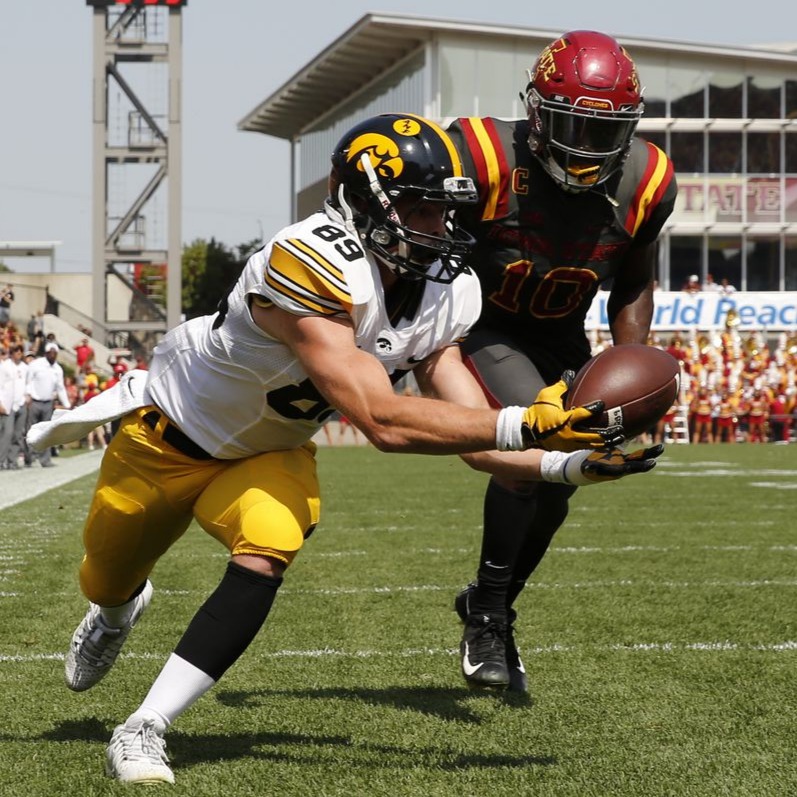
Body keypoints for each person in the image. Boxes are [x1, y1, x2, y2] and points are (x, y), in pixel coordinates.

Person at [28, 113, 660, 785]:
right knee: (107, 574)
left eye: (444, 210)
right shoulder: (308, 259)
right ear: (361, 202)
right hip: (168, 439)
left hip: (268, 451)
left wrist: (567, 464)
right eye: (419, 208)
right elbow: (382, 420)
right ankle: (117, 609)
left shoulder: (447, 288)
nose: (438, 226)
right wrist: (529, 425)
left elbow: (476, 435)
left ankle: (144, 726)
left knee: (270, 541)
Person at [445, 30, 678, 692]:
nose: (587, 146)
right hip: (484, 326)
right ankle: (489, 616)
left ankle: (490, 602)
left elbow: (633, 278)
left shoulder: (647, 178)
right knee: (540, 445)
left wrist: (630, 362)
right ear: (536, 112)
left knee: (565, 479)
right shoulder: (482, 155)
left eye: (605, 130)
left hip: (561, 336)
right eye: (573, 125)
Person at [25, 342, 71, 467]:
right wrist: (28, 395)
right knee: (31, 430)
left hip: (48, 403)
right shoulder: (36, 364)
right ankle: (29, 458)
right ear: (46, 353)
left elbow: (60, 388)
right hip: (35, 401)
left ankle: (45, 459)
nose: (53, 355)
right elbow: (28, 381)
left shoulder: (57, 369)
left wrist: (67, 404)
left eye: (55, 353)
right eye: (51, 353)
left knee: (46, 432)